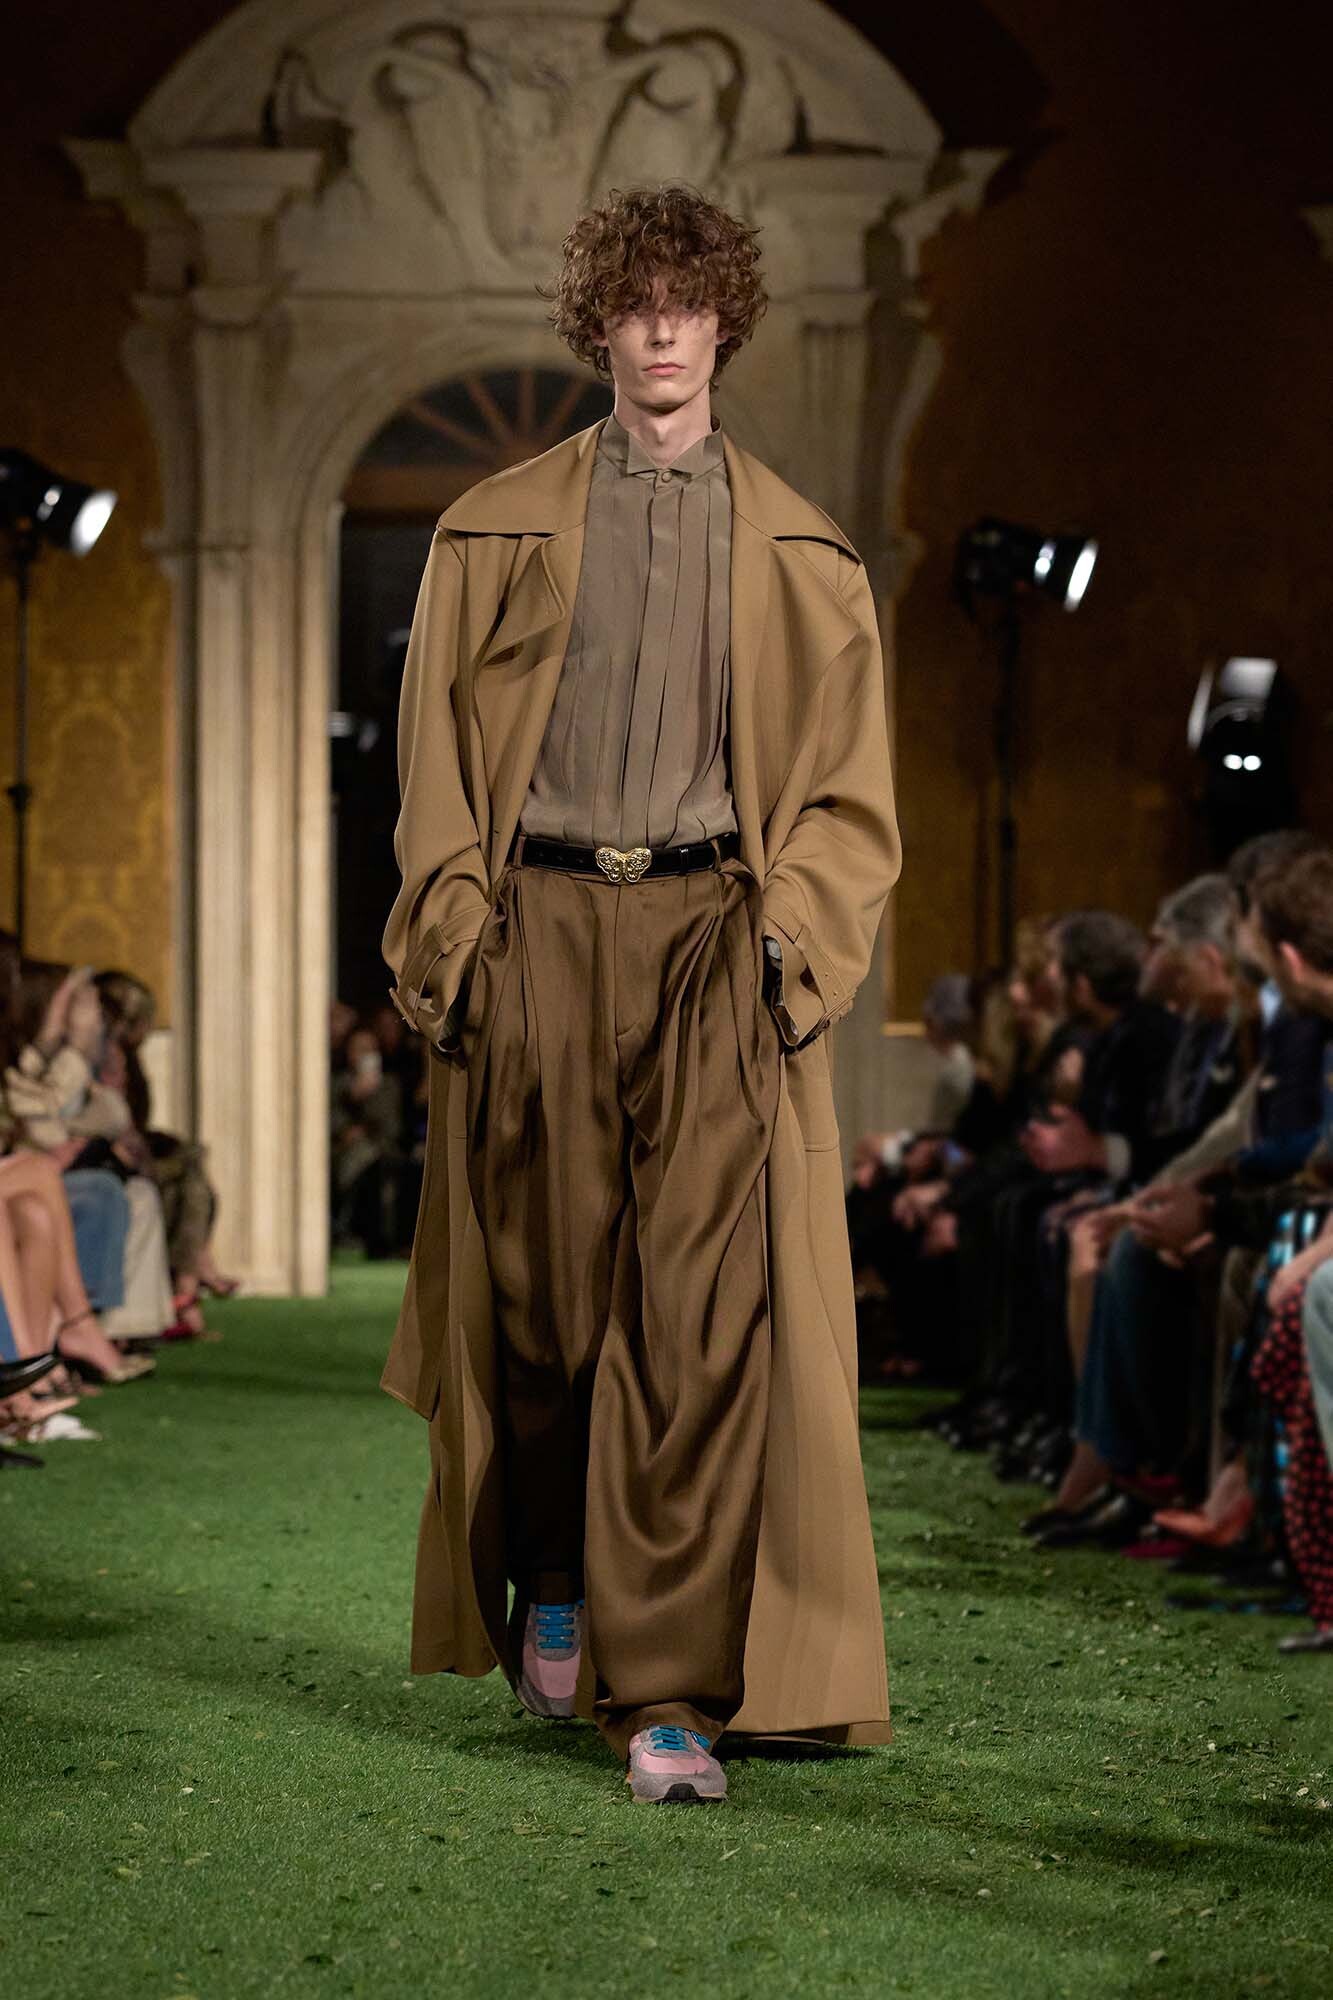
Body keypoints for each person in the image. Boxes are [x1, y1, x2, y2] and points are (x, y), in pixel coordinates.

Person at [380, 184, 900, 1803]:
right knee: (542, 1309)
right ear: (596, 322)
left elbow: (849, 796)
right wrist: (458, 930)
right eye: (635, 302)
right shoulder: (492, 528)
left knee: (694, 1320)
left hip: (710, 940)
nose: (662, 330)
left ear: (724, 323)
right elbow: (430, 759)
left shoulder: (805, 554)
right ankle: (554, 1569)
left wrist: (783, 943)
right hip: (536, 922)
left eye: (688, 303)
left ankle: (664, 1692)